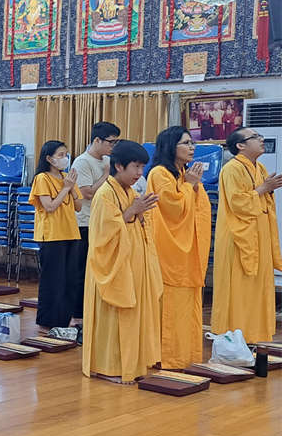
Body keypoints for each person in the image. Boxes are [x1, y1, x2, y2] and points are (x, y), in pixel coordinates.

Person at [82, 140, 162, 384]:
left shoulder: (130, 192)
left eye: (142, 167)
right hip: (111, 267)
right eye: (135, 167)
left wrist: (139, 213)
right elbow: (103, 236)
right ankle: (107, 368)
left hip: (131, 264)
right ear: (118, 166)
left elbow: (137, 226)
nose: (140, 173)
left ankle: (130, 364)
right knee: (113, 318)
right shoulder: (105, 194)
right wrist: (131, 212)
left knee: (131, 316)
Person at [147, 127, 212, 369]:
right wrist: (190, 186)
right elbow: (174, 209)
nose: (192, 147)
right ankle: (166, 357)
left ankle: (185, 355)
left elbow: (199, 207)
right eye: (186, 143)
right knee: (170, 307)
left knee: (186, 307)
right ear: (170, 146)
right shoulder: (159, 173)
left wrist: (192, 185)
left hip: (187, 250)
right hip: (169, 250)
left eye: (192, 142)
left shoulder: (183, 173)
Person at [210, 128, 282, 343]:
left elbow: (263, 201)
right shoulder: (231, 169)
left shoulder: (259, 167)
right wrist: (263, 189)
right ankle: (233, 336)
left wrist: (266, 189)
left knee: (258, 288)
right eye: (255, 137)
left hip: (259, 237)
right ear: (240, 146)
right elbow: (238, 203)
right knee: (238, 291)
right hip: (238, 239)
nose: (261, 139)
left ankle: (253, 336)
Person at [69, 122, 121, 324]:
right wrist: (107, 175)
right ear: (97, 140)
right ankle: (78, 316)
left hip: (104, 222)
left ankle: (95, 312)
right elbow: (87, 192)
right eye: (110, 142)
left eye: (116, 142)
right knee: (82, 271)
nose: (113, 146)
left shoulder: (108, 160)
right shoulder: (82, 162)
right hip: (85, 223)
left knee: (100, 270)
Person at [30, 140, 84, 332]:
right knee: (52, 280)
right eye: (61, 155)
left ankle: (63, 320)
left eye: (66, 154)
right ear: (49, 158)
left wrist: (71, 187)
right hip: (52, 235)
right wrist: (66, 188)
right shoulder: (42, 178)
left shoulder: (66, 177)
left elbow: (79, 206)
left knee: (70, 280)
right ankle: (46, 322)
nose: (65, 158)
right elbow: (50, 206)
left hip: (71, 233)